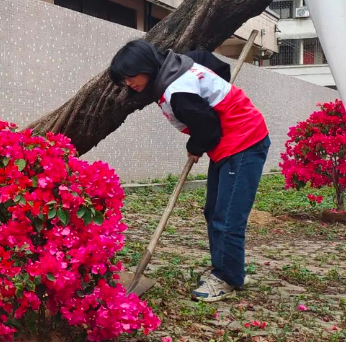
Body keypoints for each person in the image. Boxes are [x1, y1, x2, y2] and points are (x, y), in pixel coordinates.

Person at [109, 40, 270, 302]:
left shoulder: (178, 91)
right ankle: (228, 269)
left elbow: (209, 128)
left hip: (244, 142)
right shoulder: (180, 63)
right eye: (123, 80)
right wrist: (213, 95)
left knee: (227, 216)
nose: (128, 83)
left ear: (145, 66)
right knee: (214, 211)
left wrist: (195, 145)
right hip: (227, 145)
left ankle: (227, 278)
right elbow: (218, 67)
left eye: (130, 76)